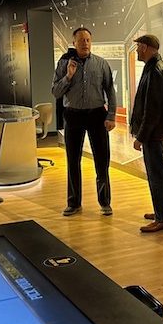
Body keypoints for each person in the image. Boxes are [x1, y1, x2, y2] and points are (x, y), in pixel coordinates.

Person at [51, 27, 116, 216]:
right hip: (73, 115)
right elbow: (55, 92)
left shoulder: (101, 64)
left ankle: (105, 202)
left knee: (102, 161)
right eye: (81, 40)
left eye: (87, 40)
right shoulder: (64, 64)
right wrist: (68, 76)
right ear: (74, 43)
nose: (85, 43)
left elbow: (110, 90)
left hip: (97, 115)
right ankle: (74, 203)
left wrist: (111, 115)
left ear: (91, 42)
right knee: (73, 160)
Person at [129, 34, 163, 233]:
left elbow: (152, 109)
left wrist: (141, 136)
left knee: (156, 174)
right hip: (155, 133)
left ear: (146, 47)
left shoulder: (155, 70)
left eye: (138, 46)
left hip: (153, 134)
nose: (137, 50)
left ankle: (162, 218)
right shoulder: (156, 67)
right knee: (159, 173)